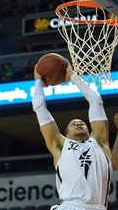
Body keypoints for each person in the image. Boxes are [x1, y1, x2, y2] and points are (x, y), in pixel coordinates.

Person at [32, 60, 112, 210]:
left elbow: (96, 101)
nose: (78, 124)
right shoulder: (61, 145)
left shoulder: (100, 143)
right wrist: (38, 82)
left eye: (81, 123)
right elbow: (39, 106)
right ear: (66, 134)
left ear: (89, 130)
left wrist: (73, 76)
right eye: (73, 124)